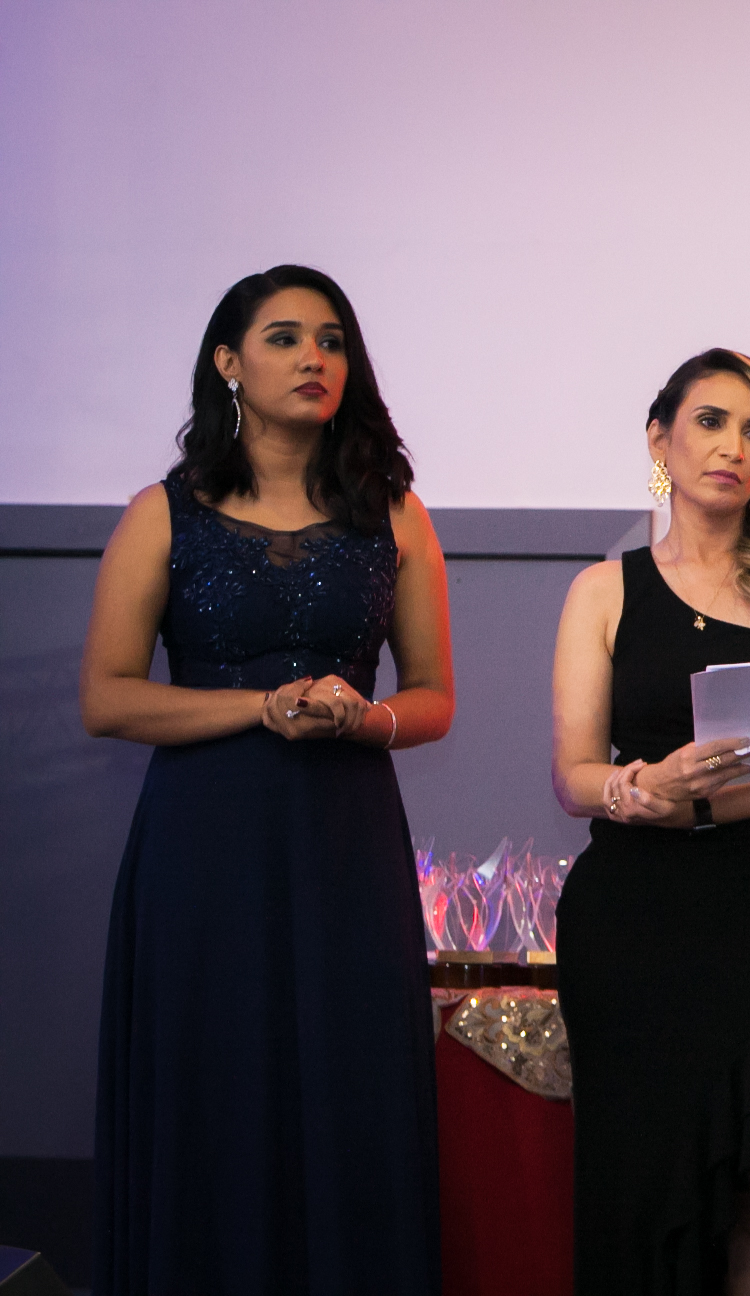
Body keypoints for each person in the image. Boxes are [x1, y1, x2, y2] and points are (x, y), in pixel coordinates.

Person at [81, 265, 454, 1294]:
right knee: (214, 1083)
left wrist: (364, 718)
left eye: (331, 341)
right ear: (229, 363)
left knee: (349, 1084)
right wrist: (260, 707)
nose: (313, 358)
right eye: (284, 338)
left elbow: (432, 698)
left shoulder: (396, 513)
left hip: (345, 843)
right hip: (203, 846)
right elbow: (106, 698)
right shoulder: (163, 513)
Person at [551, 349, 750, 1296]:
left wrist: (698, 799)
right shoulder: (604, 590)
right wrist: (639, 788)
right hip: (637, 919)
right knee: (649, 1192)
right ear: (660, 440)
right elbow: (574, 774)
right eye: (710, 422)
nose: (734, 447)